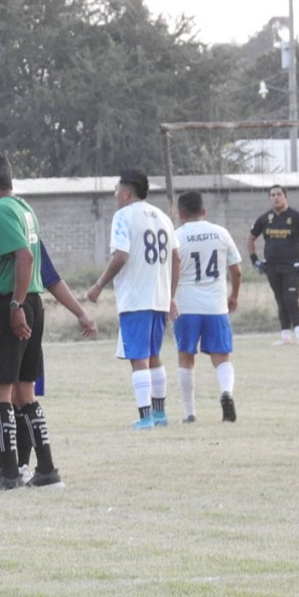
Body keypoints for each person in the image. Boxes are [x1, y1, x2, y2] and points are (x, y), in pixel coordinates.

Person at [0, 150, 94, 490]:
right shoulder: (24, 208)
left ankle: (9, 474)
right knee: (25, 392)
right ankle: (47, 470)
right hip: (32, 302)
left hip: (10, 302)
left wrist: (14, 305)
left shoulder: (1, 209)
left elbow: (23, 257)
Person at [87, 170, 180, 429]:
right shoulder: (163, 217)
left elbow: (121, 255)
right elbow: (176, 258)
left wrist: (98, 285)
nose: (115, 194)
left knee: (138, 357)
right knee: (153, 354)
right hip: (159, 296)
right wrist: (170, 296)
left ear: (126, 193)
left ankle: (145, 417)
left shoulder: (123, 216)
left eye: (117, 189)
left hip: (136, 298)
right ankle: (160, 414)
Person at [172, 191, 242, 424]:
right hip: (216, 306)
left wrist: (169, 298)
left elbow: (170, 271)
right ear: (204, 211)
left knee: (186, 358)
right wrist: (234, 295)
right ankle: (226, 392)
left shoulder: (177, 236)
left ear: (180, 214)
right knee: (222, 357)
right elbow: (236, 271)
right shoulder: (221, 233)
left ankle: (189, 413)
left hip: (186, 306)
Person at [247, 185, 299, 346]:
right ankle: (285, 336)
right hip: (272, 267)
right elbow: (251, 238)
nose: (275, 198)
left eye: (279, 194)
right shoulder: (265, 218)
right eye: (272, 195)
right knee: (280, 300)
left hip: (292, 267)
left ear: (285, 197)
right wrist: (254, 259)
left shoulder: (295, 216)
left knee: (291, 299)